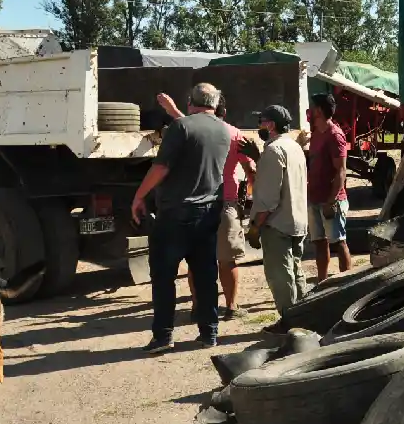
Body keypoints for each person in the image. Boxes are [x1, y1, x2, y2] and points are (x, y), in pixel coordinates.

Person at [132, 83, 229, 353]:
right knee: (205, 275)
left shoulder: (181, 128)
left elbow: (161, 166)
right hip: (208, 213)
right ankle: (209, 332)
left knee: (164, 276)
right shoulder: (223, 129)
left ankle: (164, 336)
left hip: (176, 213)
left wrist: (139, 195)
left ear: (190, 101)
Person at [156, 91, 256, 320]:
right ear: (224, 112)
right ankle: (231, 307)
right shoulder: (234, 134)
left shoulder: (195, 130)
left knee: (196, 259)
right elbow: (251, 171)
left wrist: (172, 111)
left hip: (198, 202)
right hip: (226, 201)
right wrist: (253, 196)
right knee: (227, 259)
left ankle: (197, 306)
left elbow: (191, 129)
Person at [248, 104, 308, 330]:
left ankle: (290, 324)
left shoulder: (273, 151)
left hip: (278, 224)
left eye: (261, 121)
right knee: (295, 272)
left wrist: (255, 226)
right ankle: (304, 317)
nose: (259, 126)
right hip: (297, 220)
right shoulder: (294, 147)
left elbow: (269, 199)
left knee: (280, 276)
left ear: (271, 125)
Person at [306, 92, 352, 283]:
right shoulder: (316, 133)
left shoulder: (335, 135)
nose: (309, 112)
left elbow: (341, 170)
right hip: (314, 197)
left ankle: (347, 281)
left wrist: (331, 201)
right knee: (319, 242)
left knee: (338, 242)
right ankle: (322, 281)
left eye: (312, 108)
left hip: (331, 200)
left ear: (318, 110)